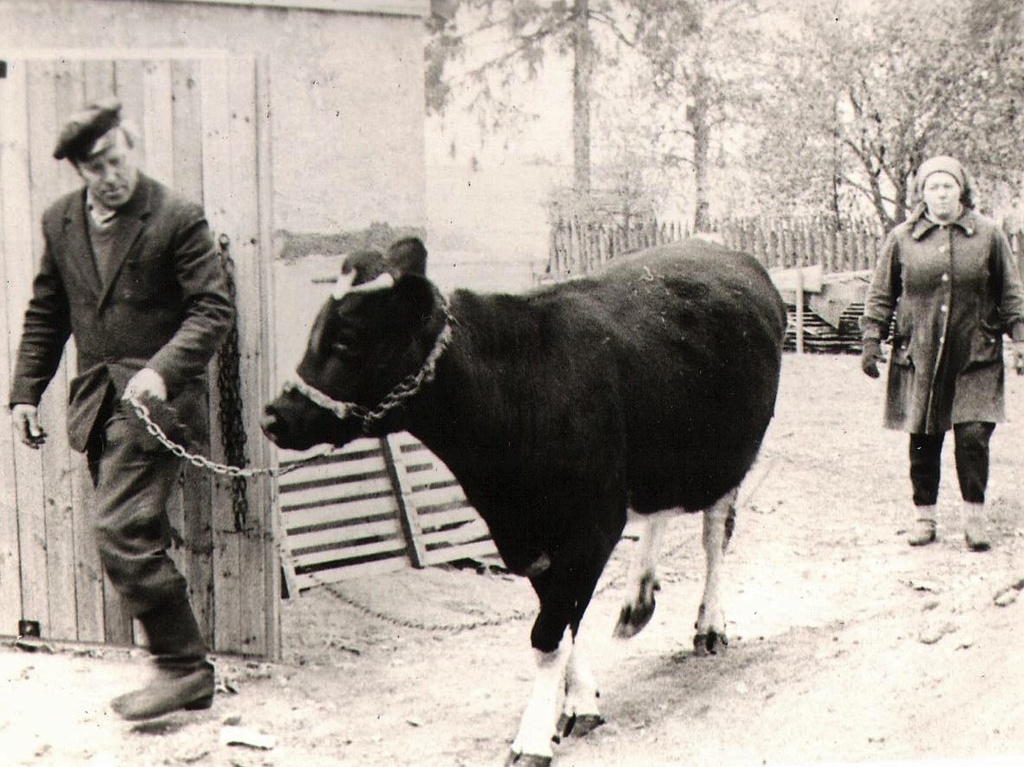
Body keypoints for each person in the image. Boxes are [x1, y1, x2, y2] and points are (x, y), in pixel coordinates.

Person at [8, 98, 234, 719]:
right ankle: (170, 663)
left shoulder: (176, 216)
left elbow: (212, 310)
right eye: (98, 167)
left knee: (118, 527)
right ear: (79, 171)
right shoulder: (61, 223)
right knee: (132, 527)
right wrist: (25, 392)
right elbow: (48, 313)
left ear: (129, 145)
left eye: (118, 158)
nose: (113, 175)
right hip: (96, 401)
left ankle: (185, 668)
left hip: (161, 399)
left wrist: (163, 370)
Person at [860, 155, 1024, 551]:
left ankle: (974, 518)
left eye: (948, 186)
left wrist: (1020, 339)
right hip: (919, 353)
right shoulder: (903, 237)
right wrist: (871, 338)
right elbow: (882, 293)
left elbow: (1011, 293)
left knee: (972, 436)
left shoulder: (988, 235)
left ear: (961, 190)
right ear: (923, 193)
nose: (941, 193)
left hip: (976, 355)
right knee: (923, 438)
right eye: (933, 186)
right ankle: (924, 517)